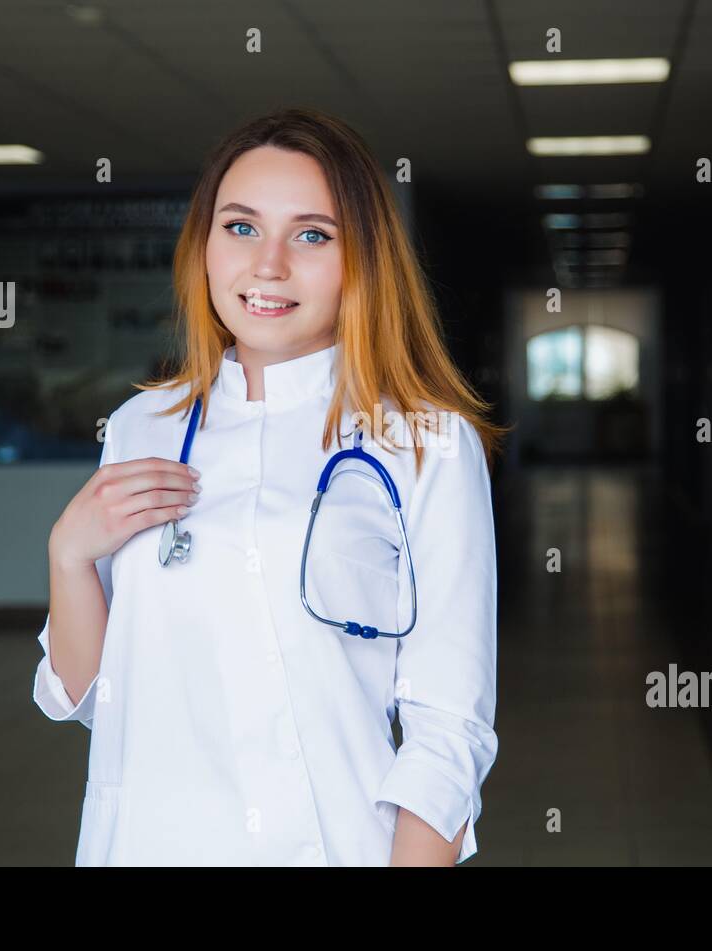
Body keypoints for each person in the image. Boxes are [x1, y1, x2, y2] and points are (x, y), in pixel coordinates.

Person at [33, 107, 506, 866]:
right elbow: (91, 695)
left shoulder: (426, 445)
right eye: (241, 227)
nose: (269, 265)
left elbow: (449, 730)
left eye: (312, 234)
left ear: (364, 260)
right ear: (204, 247)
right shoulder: (140, 425)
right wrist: (69, 558)